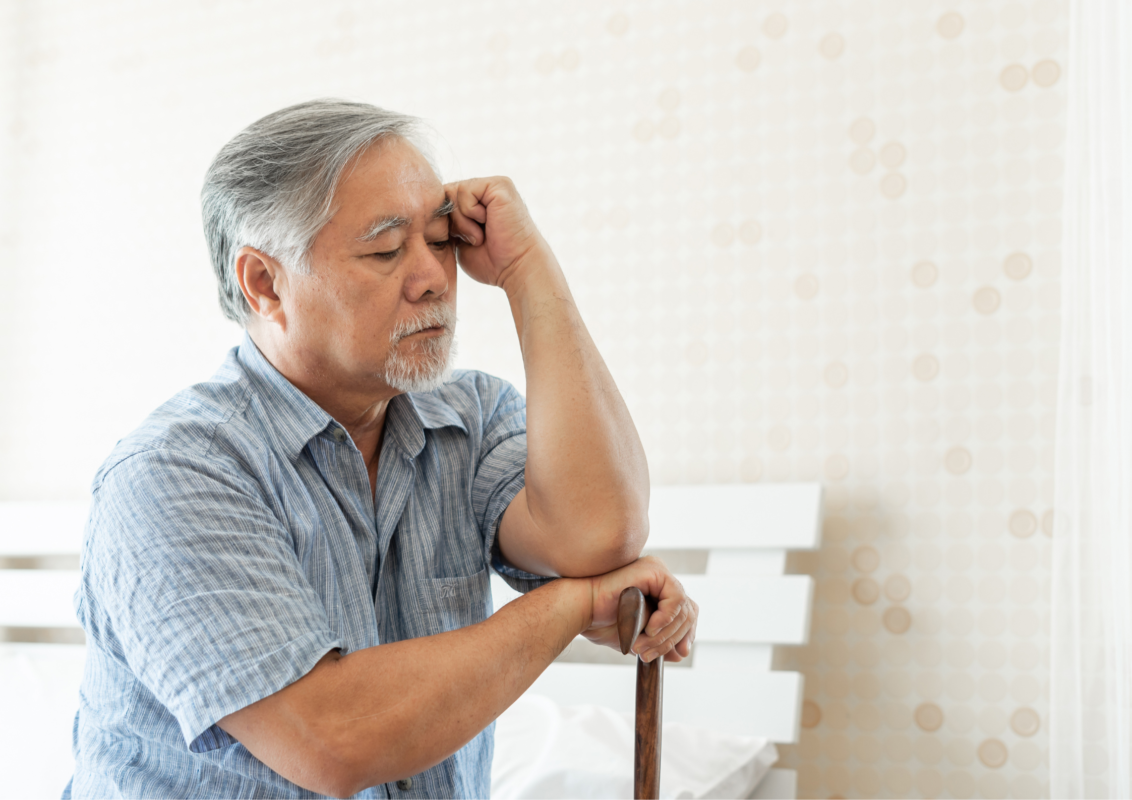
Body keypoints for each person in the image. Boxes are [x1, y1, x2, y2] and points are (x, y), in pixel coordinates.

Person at [66, 99, 698, 799]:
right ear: (264, 283)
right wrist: (570, 607)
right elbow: (334, 740)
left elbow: (601, 534)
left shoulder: (471, 417)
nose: (434, 278)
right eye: (386, 250)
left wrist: (526, 268)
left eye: (442, 239)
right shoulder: (173, 474)